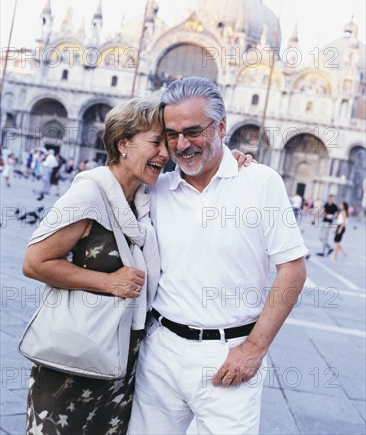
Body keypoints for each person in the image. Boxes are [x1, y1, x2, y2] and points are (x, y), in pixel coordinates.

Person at [128, 77, 308, 435]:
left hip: (229, 356)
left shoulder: (260, 182)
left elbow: (292, 270)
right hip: (159, 350)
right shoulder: (156, 189)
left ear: (221, 126)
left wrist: (255, 348)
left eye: (194, 131)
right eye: (172, 133)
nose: (182, 144)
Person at [22, 98, 168, 435]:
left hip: (122, 362)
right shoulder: (89, 195)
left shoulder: (142, 203)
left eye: (167, 142)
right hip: (73, 360)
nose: (165, 153)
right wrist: (110, 283)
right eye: (156, 142)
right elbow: (35, 262)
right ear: (124, 144)